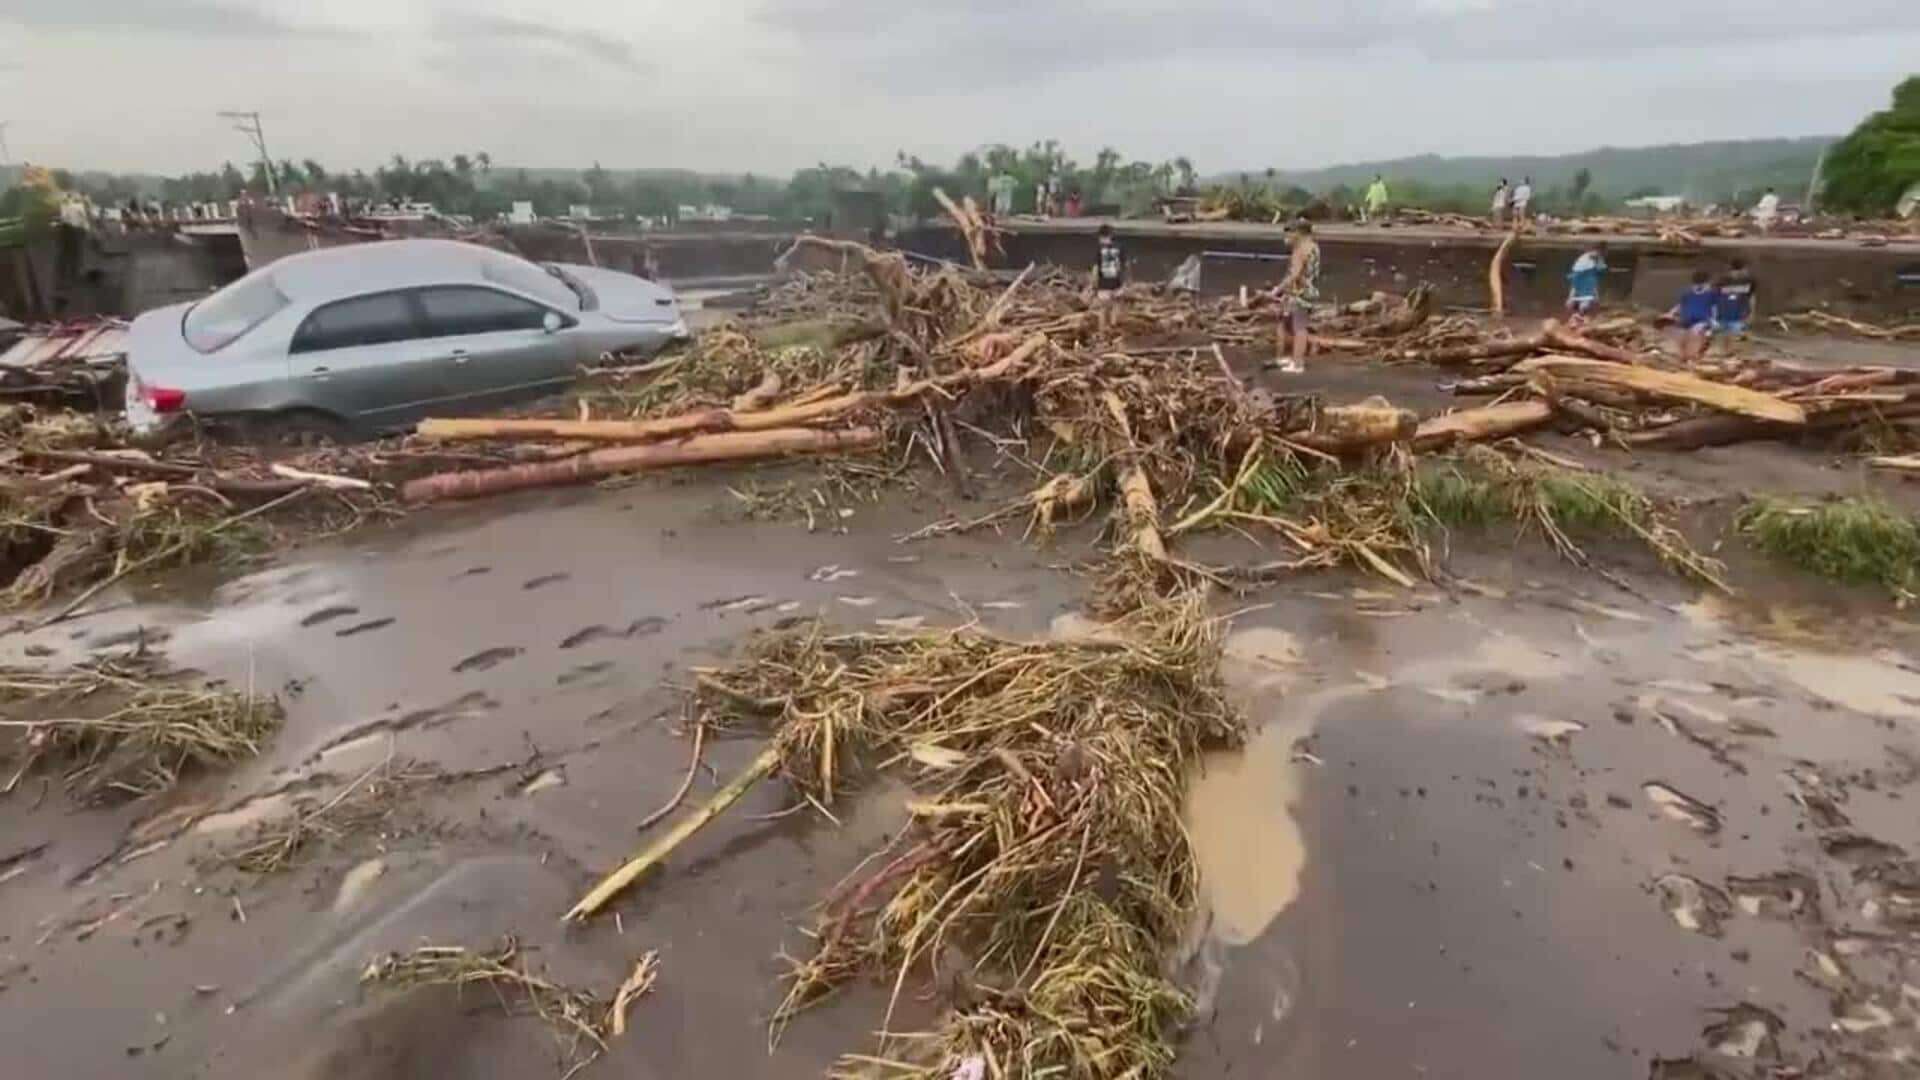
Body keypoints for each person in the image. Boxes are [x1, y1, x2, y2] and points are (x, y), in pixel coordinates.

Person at [1268, 218, 1322, 374]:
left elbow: (1294, 274)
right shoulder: (1314, 247)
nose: (1287, 238)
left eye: (1289, 234)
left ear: (1297, 233)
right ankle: (1293, 359)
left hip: (1300, 292)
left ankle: (1298, 364)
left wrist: (1278, 289)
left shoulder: (1299, 250)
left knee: (1299, 328)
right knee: (1295, 325)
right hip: (1311, 289)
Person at [1668, 270, 1719, 364]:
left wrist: (1714, 320)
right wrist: (1671, 313)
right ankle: (1683, 357)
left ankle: (1693, 357)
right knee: (1681, 338)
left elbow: (1714, 308)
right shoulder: (1687, 293)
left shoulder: (1711, 294)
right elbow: (1680, 305)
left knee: (1695, 334)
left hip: (1702, 321)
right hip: (1685, 320)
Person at [1714, 257, 1758, 346]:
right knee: (1727, 337)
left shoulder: (1749, 281)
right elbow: (1715, 299)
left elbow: (1751, 297)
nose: (1746, 272)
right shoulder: (1722, 281)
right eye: (1745, 270)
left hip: (1739, 315)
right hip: (1726, 314)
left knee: (1736, 337)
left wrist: (1751, 313)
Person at [1565, 242, 1608, 323]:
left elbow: (1596, 278)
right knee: (1583, 304)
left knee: (1586, 304)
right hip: (1582, 288)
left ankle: (1580, 316)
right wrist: (1571, 296)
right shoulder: (1583, 261)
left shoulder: (1598, 260)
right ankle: (1578, 316)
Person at [1092, 224, 1125, 299]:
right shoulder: (1120, 247)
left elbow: (1095, 269)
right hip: (1117, 285)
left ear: (1100, 236)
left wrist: (1094, 284)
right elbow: (1125, 266)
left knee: (1103, 307)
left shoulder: (1100, 249)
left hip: (1104, 287)